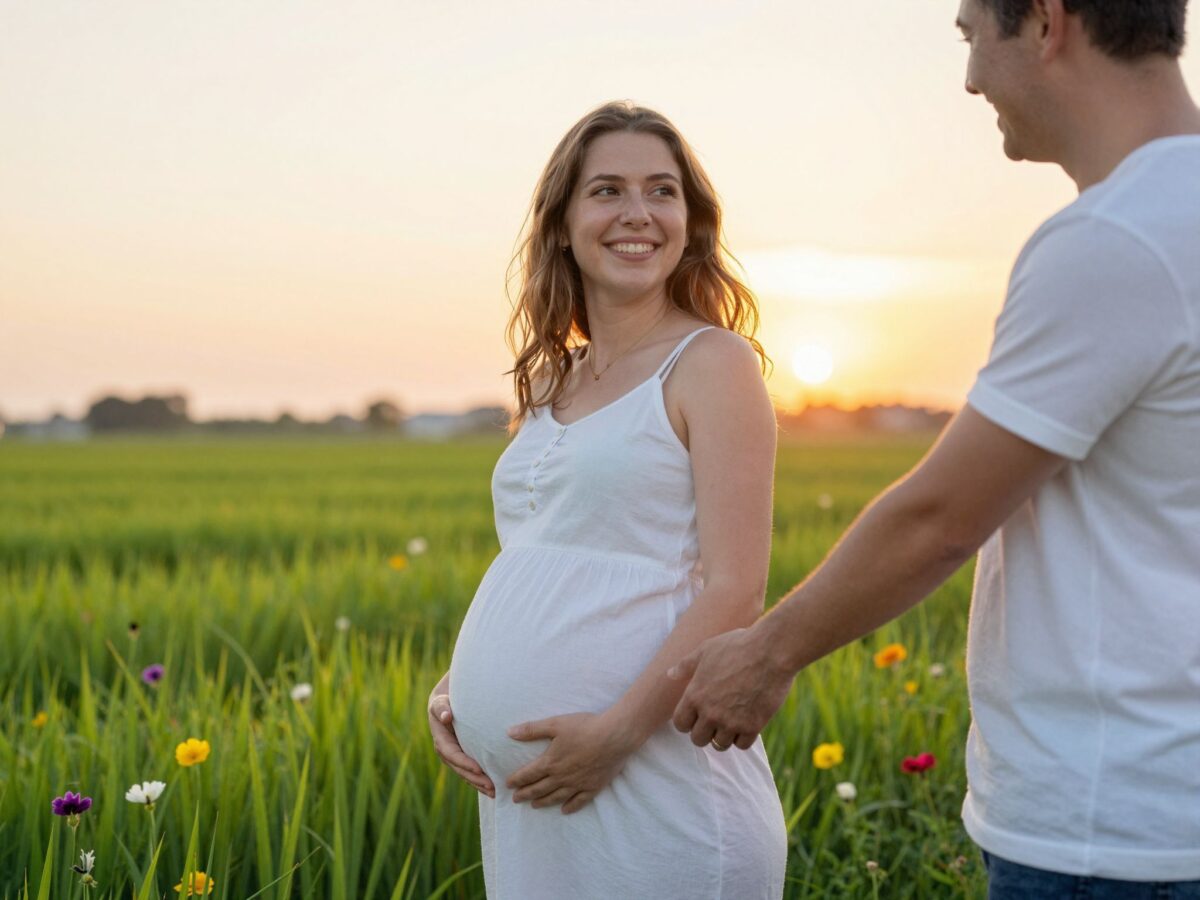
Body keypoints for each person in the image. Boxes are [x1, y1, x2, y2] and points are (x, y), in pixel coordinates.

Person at [670, 0, 1200, 895]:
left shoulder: (1117, 238)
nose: (969, 79)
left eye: (970, 37)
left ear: (1043, 23)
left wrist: (767, 654)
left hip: (1115, 829)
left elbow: (942, 517)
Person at [425, 101, 787, 899]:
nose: (638, 214)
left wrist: (616, 735)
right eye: (608, 191)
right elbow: (538, 553)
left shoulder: (712, 363)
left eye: (662, 191)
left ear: (691, 224)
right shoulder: (553, 380)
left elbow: (736, 589)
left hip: (654, 786)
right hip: (538, 802)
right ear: (561, 223)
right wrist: (459, 689)